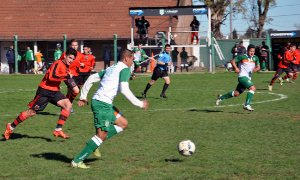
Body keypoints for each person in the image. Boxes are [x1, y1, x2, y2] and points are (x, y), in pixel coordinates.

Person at [71, 49, 148, 168]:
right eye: (132, 59)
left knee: (123, 123)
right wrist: (139, 103)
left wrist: (83, 96)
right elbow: (124, 89)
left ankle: (96, 143)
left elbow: (91, 78)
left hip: (102, 102)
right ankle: (77, 161)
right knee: (101, 135)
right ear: (126, 58)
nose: (133, 62)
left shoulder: (111, 68)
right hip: (102, 104)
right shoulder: (124, 69)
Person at [3, 48, 79, 140]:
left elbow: (64, 78)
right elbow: (52, 77)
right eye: (70, 58)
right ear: (65, 56)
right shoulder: (58, 63)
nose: (71, 61)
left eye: (72, 59)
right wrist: (66, 76)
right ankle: (10, 127)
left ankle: (58, 129)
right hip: (44, 91)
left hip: (54, 91)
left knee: (68, 105)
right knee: (31, 112)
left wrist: (72, 85)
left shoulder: (66, 66)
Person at [216, 44, 260, 111]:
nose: (252, 52)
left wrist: (256, 69)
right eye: (251, 51)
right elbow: (233, 61)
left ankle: (220, 97)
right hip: (242, 77)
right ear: (247, 51)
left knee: (236, 93)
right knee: (253, 88)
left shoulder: (255, 58)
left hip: (248, 78)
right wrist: (236, 68)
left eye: (253, 51)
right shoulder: (242, 57)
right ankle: (247, 104)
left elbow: (258, 67)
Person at [64, 39, 84, 111]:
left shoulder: (80, 55)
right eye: (73, 45)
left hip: (77, 75)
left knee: (74, 91)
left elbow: (82, 64)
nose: (74, 46)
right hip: (68, 75)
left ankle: (66, 104)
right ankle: (68, 105)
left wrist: (82, 65)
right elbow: (61, 63)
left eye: (76, 45)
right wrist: (67, 71)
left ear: (78, 46)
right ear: (70, 46)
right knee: (73, 90)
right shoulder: (65, 54)